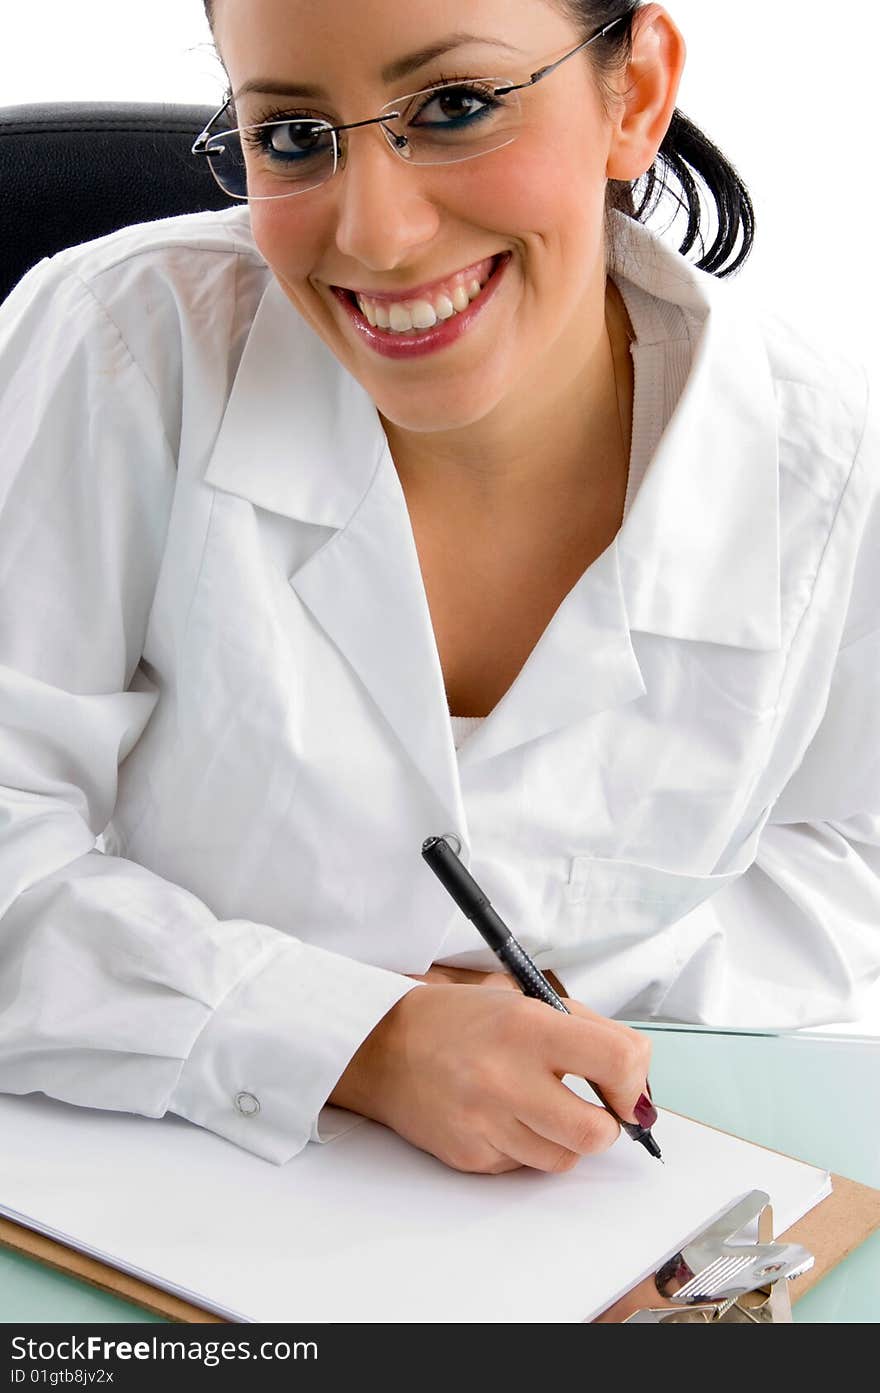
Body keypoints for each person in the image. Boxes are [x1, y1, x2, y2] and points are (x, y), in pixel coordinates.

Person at [0, 0, 876, 1177]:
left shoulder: (828, 466)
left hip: (589, 1190)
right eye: (295, 137)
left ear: (638, 92)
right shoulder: (115, 345)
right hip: (161, 1172)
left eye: (456, 108)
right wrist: (358, 1038)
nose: (379, 234)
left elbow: (851, 856)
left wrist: (587, 998)